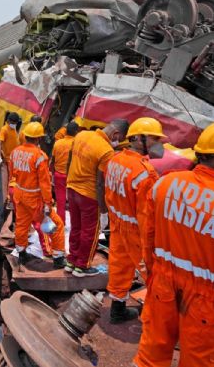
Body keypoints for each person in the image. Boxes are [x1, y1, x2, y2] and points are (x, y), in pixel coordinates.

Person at [135, 120, 214, 367]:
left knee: (151, 354)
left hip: (162, 284)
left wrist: (154, 273)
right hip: (208, 301)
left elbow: (148, 236)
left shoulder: (165, 183)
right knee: (198, 362)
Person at [105, 117, 165, 323]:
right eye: (156, 139)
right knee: (153, 273)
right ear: (139, 139)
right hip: (135, 230)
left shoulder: (115, 160)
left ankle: (117, 309)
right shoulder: (145, 173)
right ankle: (155, 321)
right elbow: (146, 216)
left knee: (119, 265)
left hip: (117, 222)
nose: (160, 144)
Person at [64, 119, 128, 277]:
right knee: (90, 232)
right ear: (115, 134)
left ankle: (71, 261)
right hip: (89, 195)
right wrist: (104, 211)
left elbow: (69, 160)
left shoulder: (82, 135)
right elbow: (100, 183)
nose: (117, 142)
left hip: (72, 189)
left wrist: (68, 181)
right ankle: (82, 266)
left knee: (76, 227)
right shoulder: (106, 151)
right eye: (119, 139)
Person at [8, 122, 66, 267]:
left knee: (22, 225)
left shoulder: (15, 152)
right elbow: (45, 183)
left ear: (25, 136)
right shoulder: (40, 156)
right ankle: (58, 258)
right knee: (57, 225)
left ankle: (21, 253)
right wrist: (48, 203)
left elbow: (12, 174)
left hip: (19, 194)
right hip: (34, 199)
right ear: (38, 138)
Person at [50, 121, 78, 224]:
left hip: (59, 175)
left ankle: (61, 222)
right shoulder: (76, 143)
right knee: (74, 202)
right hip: (72, 176)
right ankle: (75, 224)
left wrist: (52, 175)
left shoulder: (58, 143)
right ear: (76, 132)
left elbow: (53, 160)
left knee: (60, 201)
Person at [0, 112, 21, 203]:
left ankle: (12, 196)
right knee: (11, 179)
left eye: (15, 123)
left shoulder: (13, 129)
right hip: (9, 159)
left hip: (15, 157)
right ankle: (9, 198)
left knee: (14, 178)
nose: (14, 125)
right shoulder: (4, 129)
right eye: (13, 123)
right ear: (8, 121)